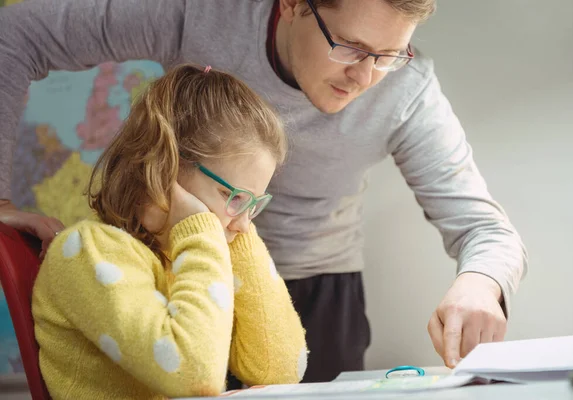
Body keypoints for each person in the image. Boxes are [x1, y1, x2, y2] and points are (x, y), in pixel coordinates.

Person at [0, 0, 528, 383]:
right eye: (350, 46)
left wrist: (480, 283)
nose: (367, 77)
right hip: (164, 282)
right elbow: (15, 31)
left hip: (315, 297)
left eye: (389, 54)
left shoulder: (408, 90)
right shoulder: (203, 13)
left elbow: (485, 228)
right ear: (292, 5)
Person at [31, 64, 307, 399]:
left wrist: (239, 235)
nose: (244, 222)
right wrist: (202, 230)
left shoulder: (182, 257)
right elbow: (194, 378)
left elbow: (280, 371)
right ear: (163, 170)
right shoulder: (90, 251)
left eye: (253, 204)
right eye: (232, 196)